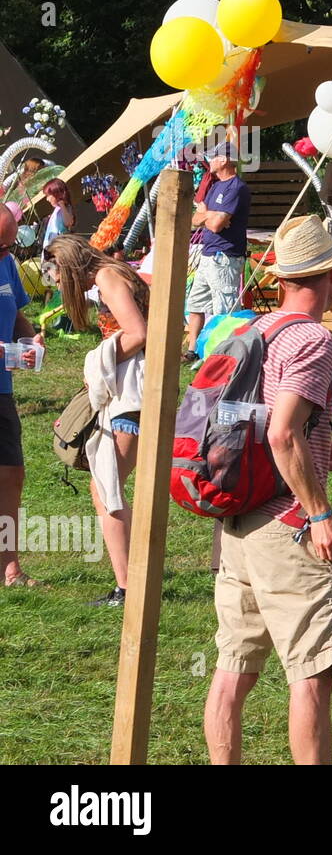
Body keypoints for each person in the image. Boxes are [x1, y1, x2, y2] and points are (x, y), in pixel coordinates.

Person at [203, 214, 332, 765]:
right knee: (312, 676)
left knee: (232, 672)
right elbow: (280, 431)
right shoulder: (314, 339)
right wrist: (319, 513)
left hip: (237, 522)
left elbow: (263, 424)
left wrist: (326, 451)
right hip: (288, 528)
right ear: (330, 276)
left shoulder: (250, 330)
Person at [47, 234, 150, 606]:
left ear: (70, 265)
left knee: (107, 490)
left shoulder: (107, 277)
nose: (56, 282)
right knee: (106, 487)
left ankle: (128, 587)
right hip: (132, 394)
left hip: (130, 399)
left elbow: (138, 333)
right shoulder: (112, 273)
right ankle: (135, 575)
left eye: (56, 273)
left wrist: (98, 361)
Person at [0, 207, 42, 588]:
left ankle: (10, 568)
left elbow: (16, 316)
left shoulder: (7, 263)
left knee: (11, 475)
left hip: (2, 390)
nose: (5, 252)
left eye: (9, 245)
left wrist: (30, 340)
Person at [184, 140, 251, 364]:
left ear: (224, 160)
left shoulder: (236, 188)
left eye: (213, 157)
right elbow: (195, 219)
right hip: (207, 254)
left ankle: (225, 356)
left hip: (225, 257)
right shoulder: (214, 186)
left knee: (225, 309)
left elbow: (215, 225)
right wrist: (210, 214)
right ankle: (193, 350)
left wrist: (209, 215)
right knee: (195, 304)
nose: (209, 161)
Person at [40, 178, 75, 251]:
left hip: (60, 249)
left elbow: (69, 222)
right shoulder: (56, 210)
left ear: (56, 194)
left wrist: (61, 204)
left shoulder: (65, 208)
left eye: (48, 196)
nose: (47, 199)